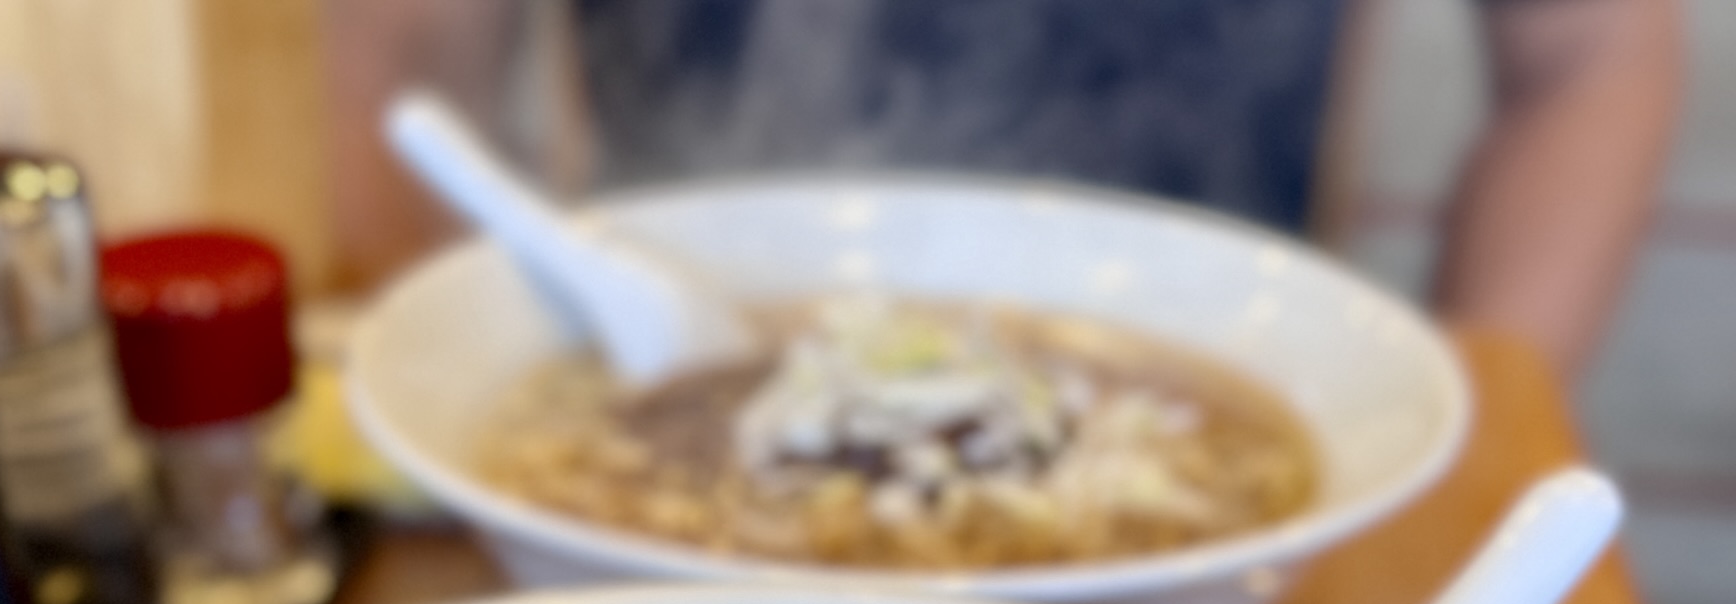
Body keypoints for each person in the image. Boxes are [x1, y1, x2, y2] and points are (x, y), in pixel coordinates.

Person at [328, 0, 1682, 378]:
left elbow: (1590, 53)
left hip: (1213, 424)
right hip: (664, 376)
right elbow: (402, 52)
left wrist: (1475, 404)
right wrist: (464, 381)